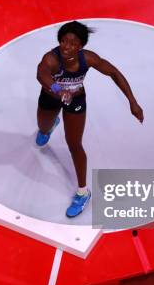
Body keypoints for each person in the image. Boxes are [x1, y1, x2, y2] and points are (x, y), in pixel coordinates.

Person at [36, 21, 144, 217]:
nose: (66, 47)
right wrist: (59, 91)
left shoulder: (88, 59)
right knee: (42, 129)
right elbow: (41, 74)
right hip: (51, 97)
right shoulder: (51, 59)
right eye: (63, 41)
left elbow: (113, 72)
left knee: (74, 144)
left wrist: (132, 101)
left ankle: (82, 193)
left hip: (75, 100)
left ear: (81, 46)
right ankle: (50, 127)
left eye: (72, 43)